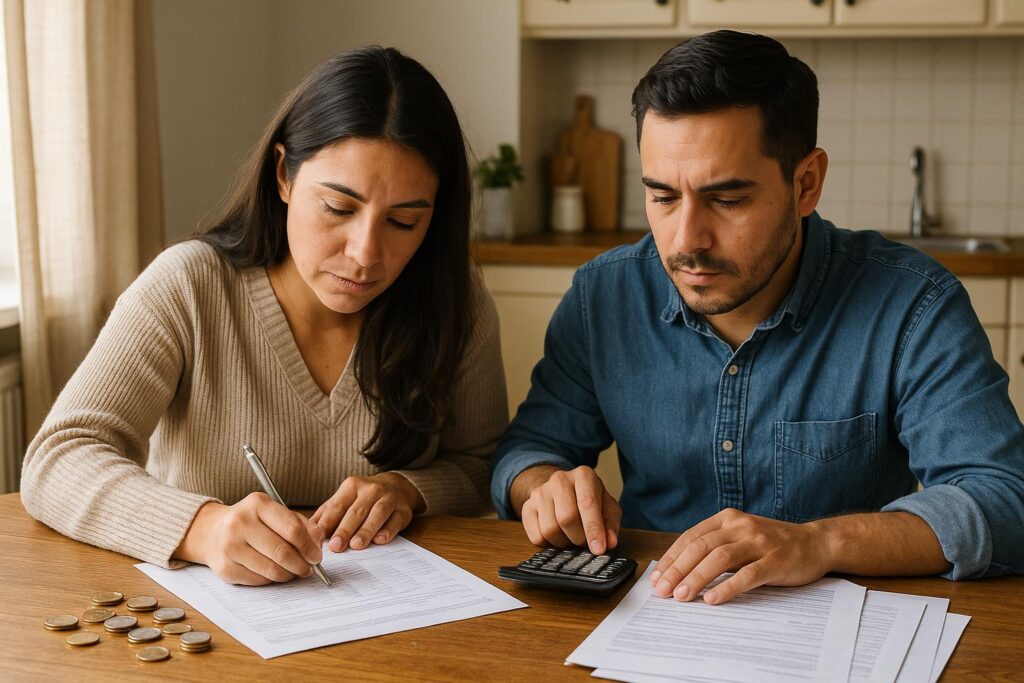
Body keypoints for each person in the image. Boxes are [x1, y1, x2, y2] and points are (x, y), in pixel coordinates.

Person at [491, 30, 1024, 605]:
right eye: (662, 197)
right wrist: (546, 486)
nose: (686, 240)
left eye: (727, 200)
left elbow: (1005, 498)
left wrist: (819, 543)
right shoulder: (603, 297)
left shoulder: (912, 306)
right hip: (650, 619)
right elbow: (525, 454)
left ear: (806, 183)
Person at [21, 46, 508, 585]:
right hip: (205, 628)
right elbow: (58, 460)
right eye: (339, 209)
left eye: (402, 222)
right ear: (283, 175)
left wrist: (409, 489)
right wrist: (204, 528)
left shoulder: (455, 302)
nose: (366, 254)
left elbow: (481, 463)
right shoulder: (189, 286)